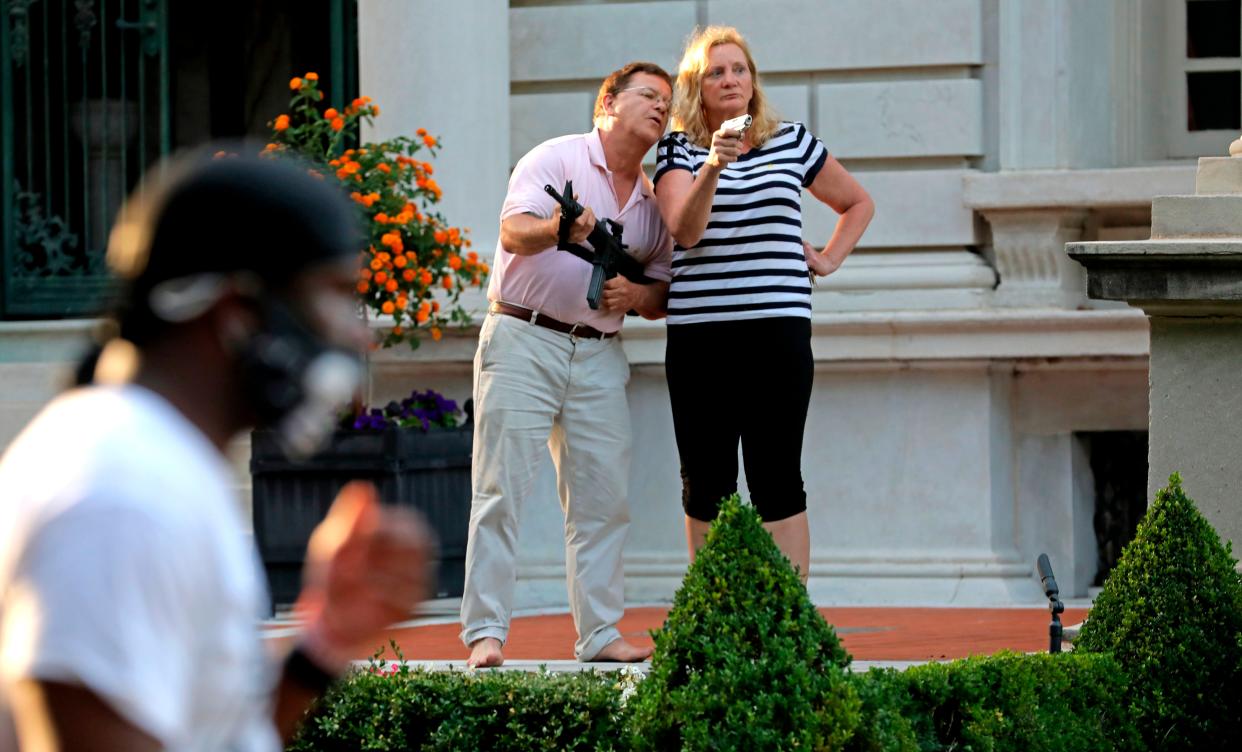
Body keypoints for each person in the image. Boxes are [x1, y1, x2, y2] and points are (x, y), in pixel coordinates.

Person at [0, 150, 434, 751]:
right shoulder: (122, 495)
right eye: (331, 294)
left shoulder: (151, 464)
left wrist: (321, 644)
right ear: (236, 314)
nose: (357, 332)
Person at [461, 61, 674, 668]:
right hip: (524, 337)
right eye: (648, 95)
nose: (661, 107)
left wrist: (633, 297)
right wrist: (561, 227)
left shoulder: (654, 205)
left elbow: (661, 291)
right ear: (606, 103)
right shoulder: (555, 159)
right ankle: (486, 633)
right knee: (500, 491)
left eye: (667, 101)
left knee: (603, 501)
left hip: (601, 353)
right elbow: (512, 232)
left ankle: (600, 634)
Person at [653, 26, 875, 580]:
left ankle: (789, 623)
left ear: (753, 80)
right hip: (701, 338)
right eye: (716, 72)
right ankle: (713, 617)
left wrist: (827, 258)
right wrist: (712, 165)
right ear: (696, 88)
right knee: (706, 481)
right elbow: (685, 232)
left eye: (739, 69)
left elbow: (857, 203)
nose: (730, 79)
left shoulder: (790, 140)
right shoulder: (679, 151)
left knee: (778, 477)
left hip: (777, 332)